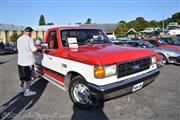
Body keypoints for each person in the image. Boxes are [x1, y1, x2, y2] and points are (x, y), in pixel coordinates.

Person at [17, 27, 37, 96]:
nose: (31, 34)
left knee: (22, 77)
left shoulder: (19, 39)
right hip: (28, 62)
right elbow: (34, 50)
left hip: (20, 62)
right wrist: (37, 52)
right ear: (30, 32)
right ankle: (27, 91)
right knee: (29, 78)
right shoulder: (29, 39)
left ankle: (21, 88)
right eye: (31, 33)